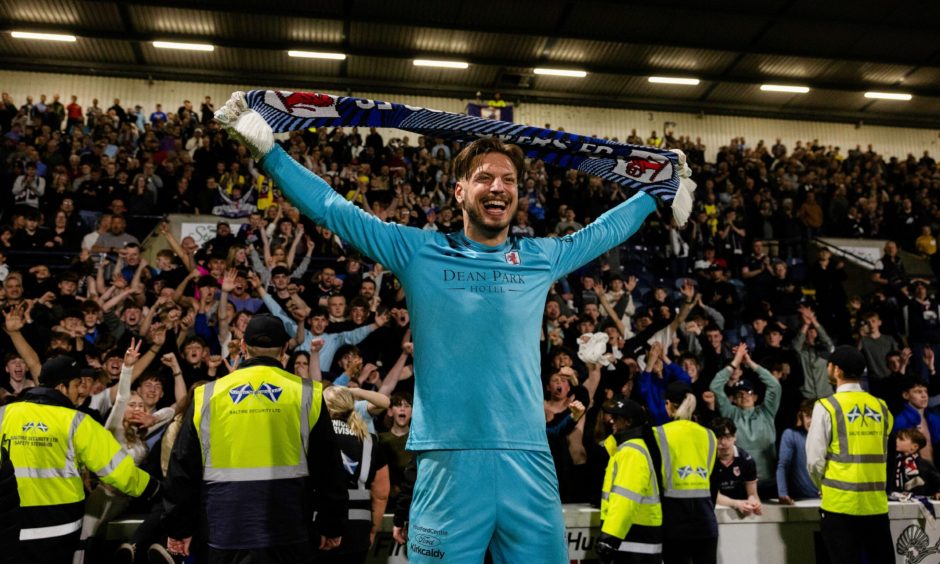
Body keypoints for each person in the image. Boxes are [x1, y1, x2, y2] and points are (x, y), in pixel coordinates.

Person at [218, 92, 689, 562]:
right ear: (460, 192)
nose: (498, 187)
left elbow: (600, 233)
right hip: (447, 463)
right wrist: (270, 154)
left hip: (529, 460)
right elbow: (333, 209)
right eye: (484, 177)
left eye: (508, 179)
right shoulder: (417, 251)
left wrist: (657, 192)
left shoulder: (539, 258)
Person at [160, 314, 348, 562]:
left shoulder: (208, 395)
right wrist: (331, 524)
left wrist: (179, 528)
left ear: (244, 347)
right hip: (288, 529)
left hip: (224, 530)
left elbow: (182, 469)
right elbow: (328, 468)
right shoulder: (308, 394)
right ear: (284, 350)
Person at [0, 355, 158, 564]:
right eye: (76, 385)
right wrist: (155, 488)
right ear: (61, 387)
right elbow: (119, 471)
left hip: (9, 528)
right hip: (59, 530)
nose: (79, 391)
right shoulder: (77, 422)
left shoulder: (3, 415)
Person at [806, 345, 894, 564]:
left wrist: (823, 487)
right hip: (876, 505)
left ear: (836, 370)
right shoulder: (881, 407)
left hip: (839, 506)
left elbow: (814, 462)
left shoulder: (826, 406)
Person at [320, 386, 390, 564]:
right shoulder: (369, 440)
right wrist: (373, 530)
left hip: (318, 524)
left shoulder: (313, 436)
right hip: (357, 528)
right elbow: (381, 493)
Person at [654, 381, 719, 564]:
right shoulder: (709, 435)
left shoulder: (659, 433)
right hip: (705, 520)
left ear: (668, 405)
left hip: (673, 520)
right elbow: (714, 480)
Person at [594, 397, 663, 564]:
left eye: (617, 418)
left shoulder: (631, 451)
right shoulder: (628, 449)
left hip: (633, 541)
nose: (611, 421)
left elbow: (625, 499)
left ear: (629, 422)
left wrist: (610, 537)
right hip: (634, 540)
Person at [709, 417, 762, 517]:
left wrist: (754, 503)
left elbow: (752, 494)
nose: (723, 442)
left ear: (735, 437)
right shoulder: (708, 461)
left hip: (741, 509)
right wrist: (737, 504)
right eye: (719, 437)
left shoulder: (747, 460)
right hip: (716, 510)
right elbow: (714, 496)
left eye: (728, 436)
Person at [776, 400, 820, 504]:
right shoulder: (791, 435)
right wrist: (783, 494)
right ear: (801, 417)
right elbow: (783, 466)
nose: (812, 421)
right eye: (808, 416)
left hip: (827, 498)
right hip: (801, 499)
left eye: (815, 416)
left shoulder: (830, 436)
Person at [892, 427, 940, 497]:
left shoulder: (924, 465)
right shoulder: (892, 462)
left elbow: (937, 481)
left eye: (901, 439)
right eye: (897, 438)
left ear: (914, 447)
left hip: (919, 504)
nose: (896, 441)